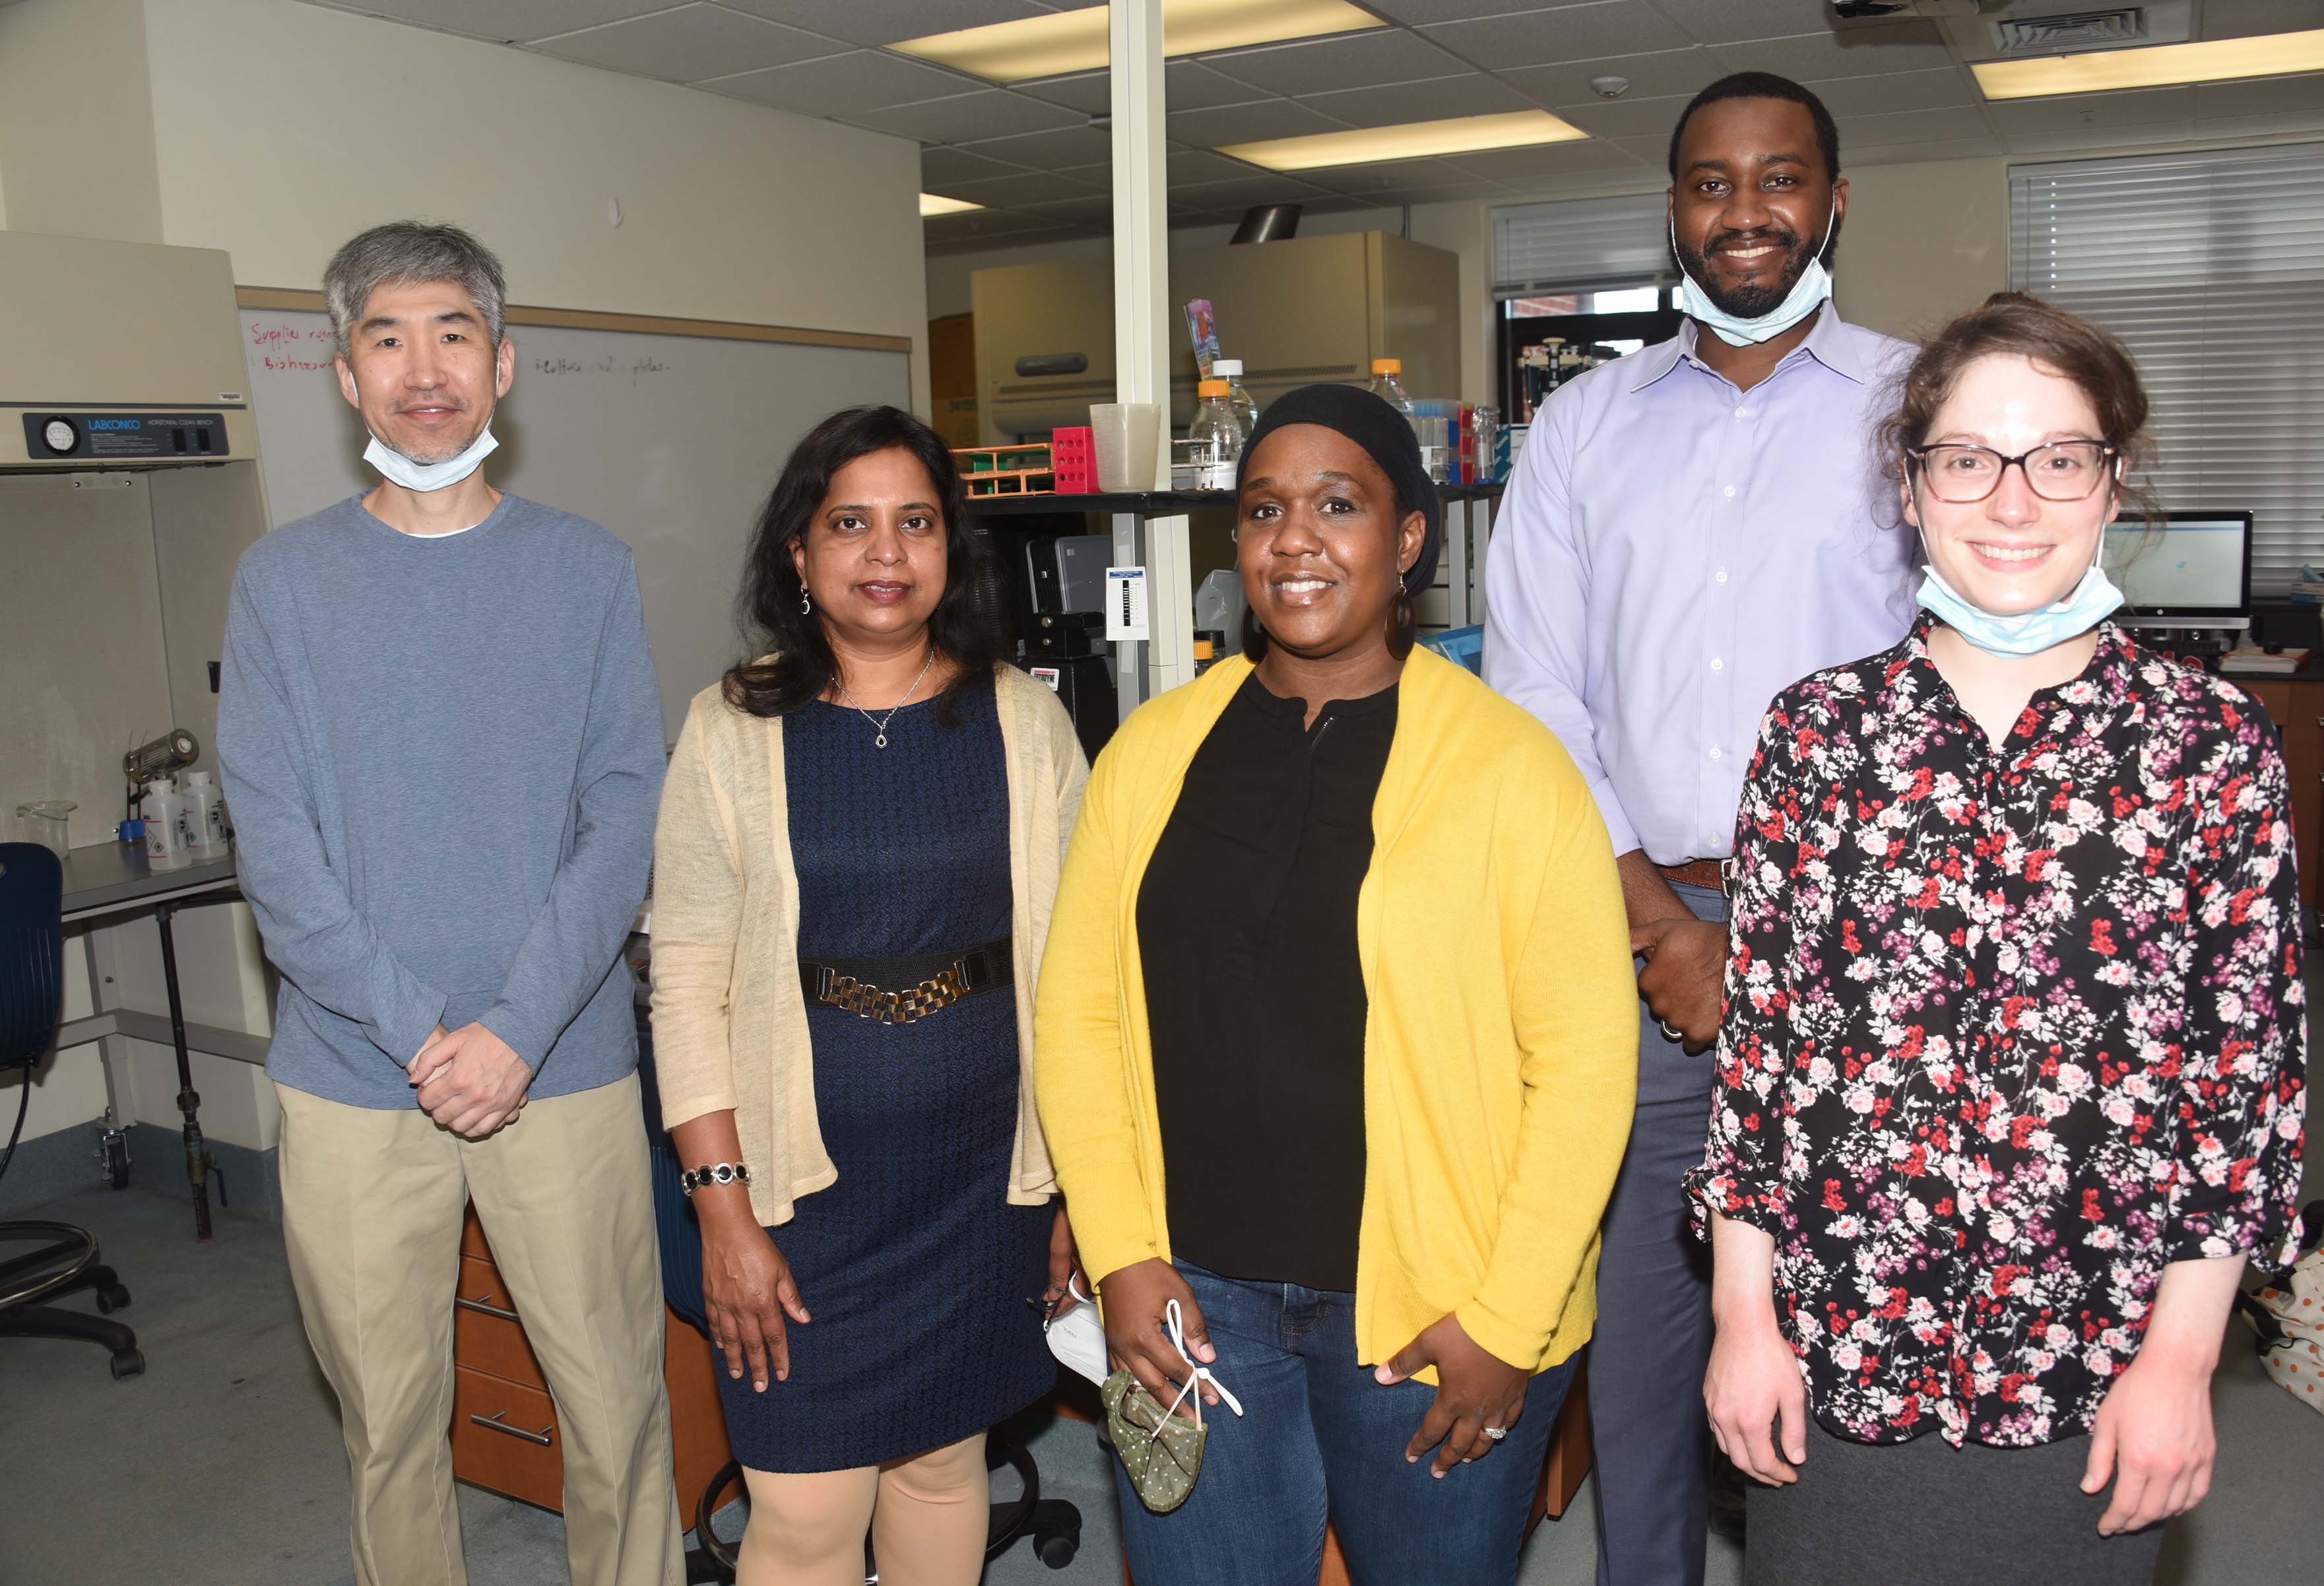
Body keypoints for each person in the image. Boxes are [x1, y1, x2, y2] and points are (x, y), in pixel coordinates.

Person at [1690, 292, 2309, 1586]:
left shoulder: (2208, 750)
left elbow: (2240, 1091)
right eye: (1967, 458)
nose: (2011, 501)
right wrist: (1743, 1317)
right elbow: (1759, 1070)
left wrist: (2183, 1357)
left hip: (2097, 1365)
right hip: (1841, 1354)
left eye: (2058, 457)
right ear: (1912, 488)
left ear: (2113, 482)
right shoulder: (1816, 739)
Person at [1034, 385, 1638, 1586]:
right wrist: (1120, 1253)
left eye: (1338, 505)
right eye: (1264, 510)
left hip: (1432, 1317)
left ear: (1407, 539)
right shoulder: (1151, 752)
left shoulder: (1516, 771)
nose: (1295, 538)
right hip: (1191, 1301)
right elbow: (1079, 1018)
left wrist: (1508, 1325)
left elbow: (1582, 1067)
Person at [1481, 71, 1920, 1586]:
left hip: (1879, 950)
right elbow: (1531, 688)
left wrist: (1794, 935)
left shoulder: (1920, 411)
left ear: (1834, 201)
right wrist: (1660, 923)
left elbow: (1959, 685)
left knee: (1852, 1322)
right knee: (1648, 1345)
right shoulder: (1584, 429)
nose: (1747, 210)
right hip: (1636, 935)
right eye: (1712, 182)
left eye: (1780, 177)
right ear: (1673, 210)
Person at [216, 222, 680, 1586]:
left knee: (617, 1416)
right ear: (349, 376)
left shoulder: (585, 569)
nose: (425, 370)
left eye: (453, 334)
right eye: (387, 337)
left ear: (504, 362)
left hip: (567, 1067)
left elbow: (622, 813)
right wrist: (428, 1032)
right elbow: (279, 848)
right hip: (358, 1080)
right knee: (391, 1432)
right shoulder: (281, 585)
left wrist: (516, 1029)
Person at [648, 405, 1089, 1586]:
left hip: (976, 1177)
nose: (885, 554)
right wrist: (723, 1214)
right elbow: (685, 982)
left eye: (915, 523)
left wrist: (1077, 1185)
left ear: (951, 550)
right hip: (796, 1194)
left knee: (945, 1472)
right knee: (799, 1513)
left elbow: (1084, 977)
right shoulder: (731, 727)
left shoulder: (1024, 720)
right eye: (850, 524)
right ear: (799, 551)